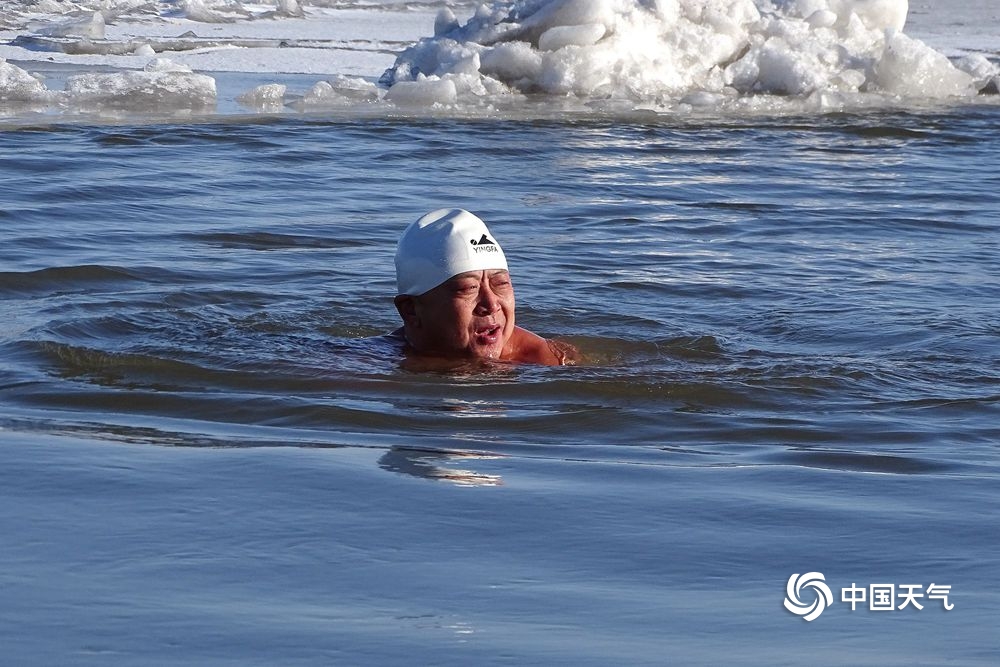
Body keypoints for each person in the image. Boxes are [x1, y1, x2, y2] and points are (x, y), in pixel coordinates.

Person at [390, 208, 578, 367]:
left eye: (501, 284)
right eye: (468, 288)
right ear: (411, 310)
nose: (491, 304)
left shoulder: (550, 361)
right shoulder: (373, 364)